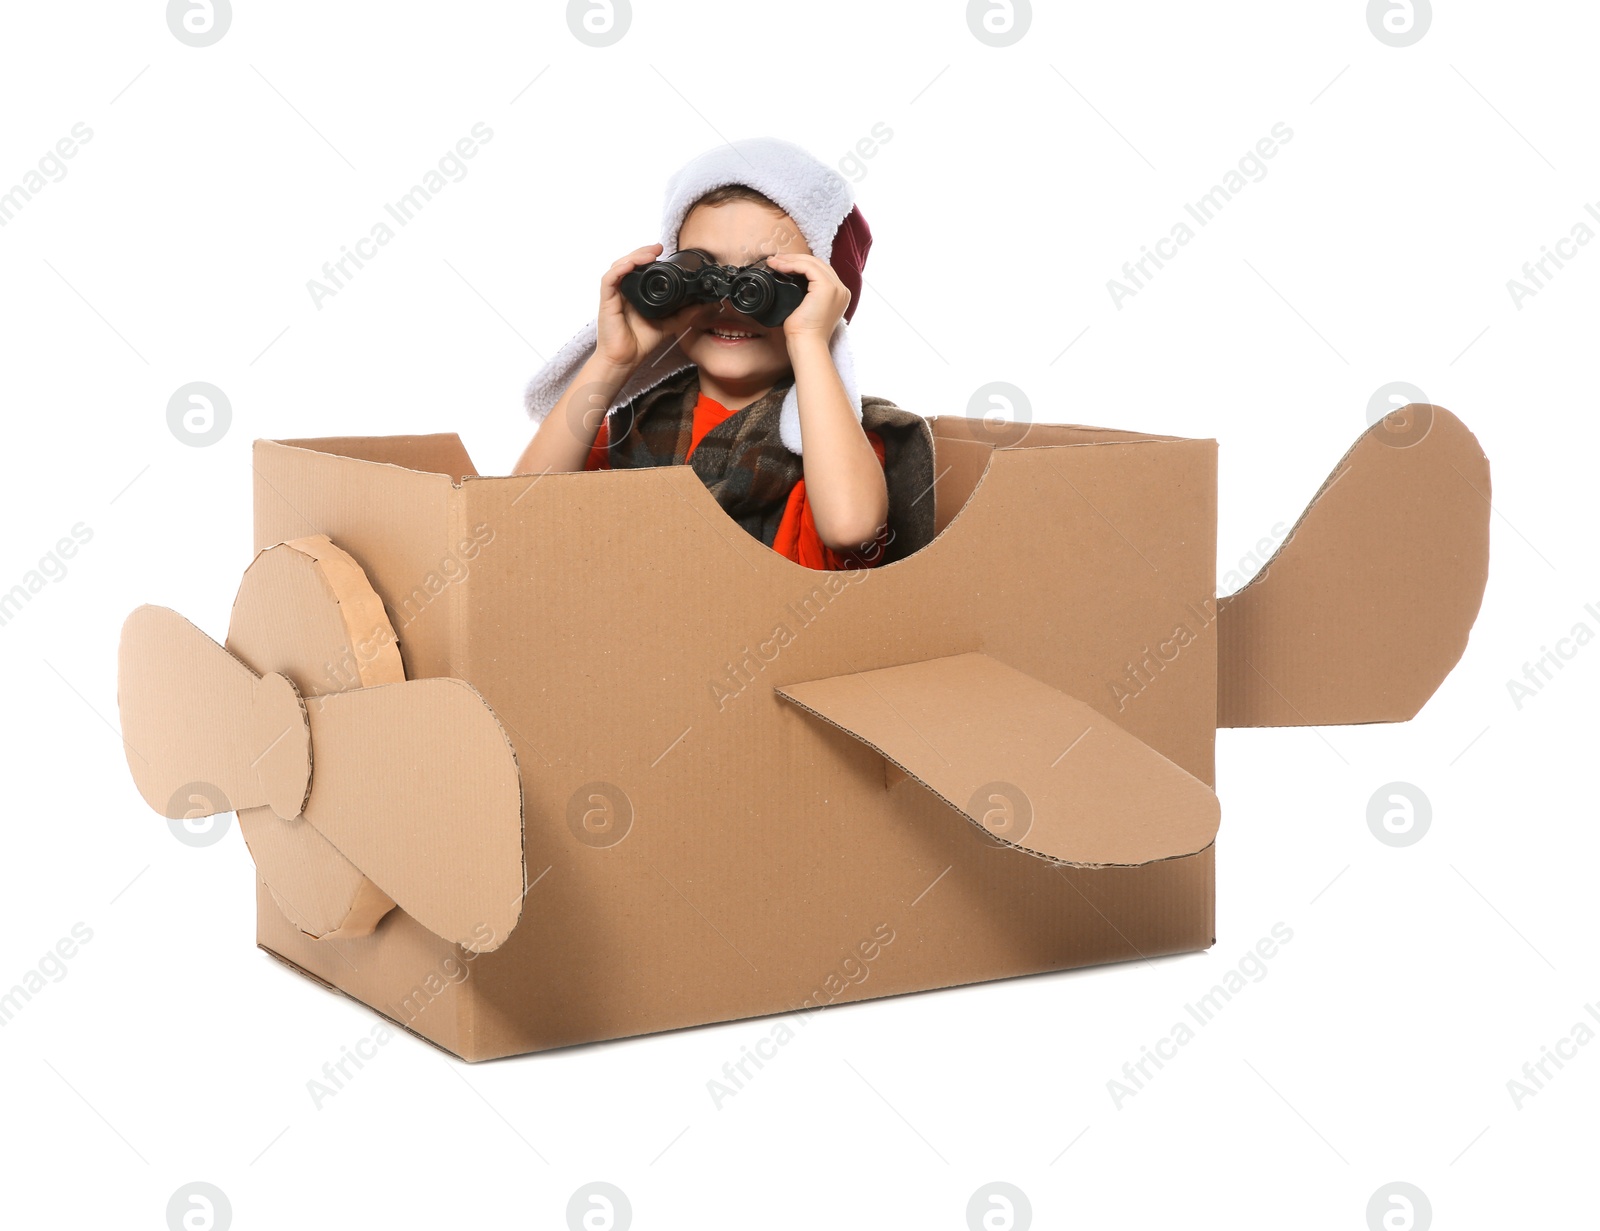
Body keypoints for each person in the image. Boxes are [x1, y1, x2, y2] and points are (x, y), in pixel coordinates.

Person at [515, 137, 935, 570]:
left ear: (824, 299)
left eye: (766, 280)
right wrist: (613, 360)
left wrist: (810, 340)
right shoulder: (634, 425)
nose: (729, 303)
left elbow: (851, 527)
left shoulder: (838, 439)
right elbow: (520, 512)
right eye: (699, 271)